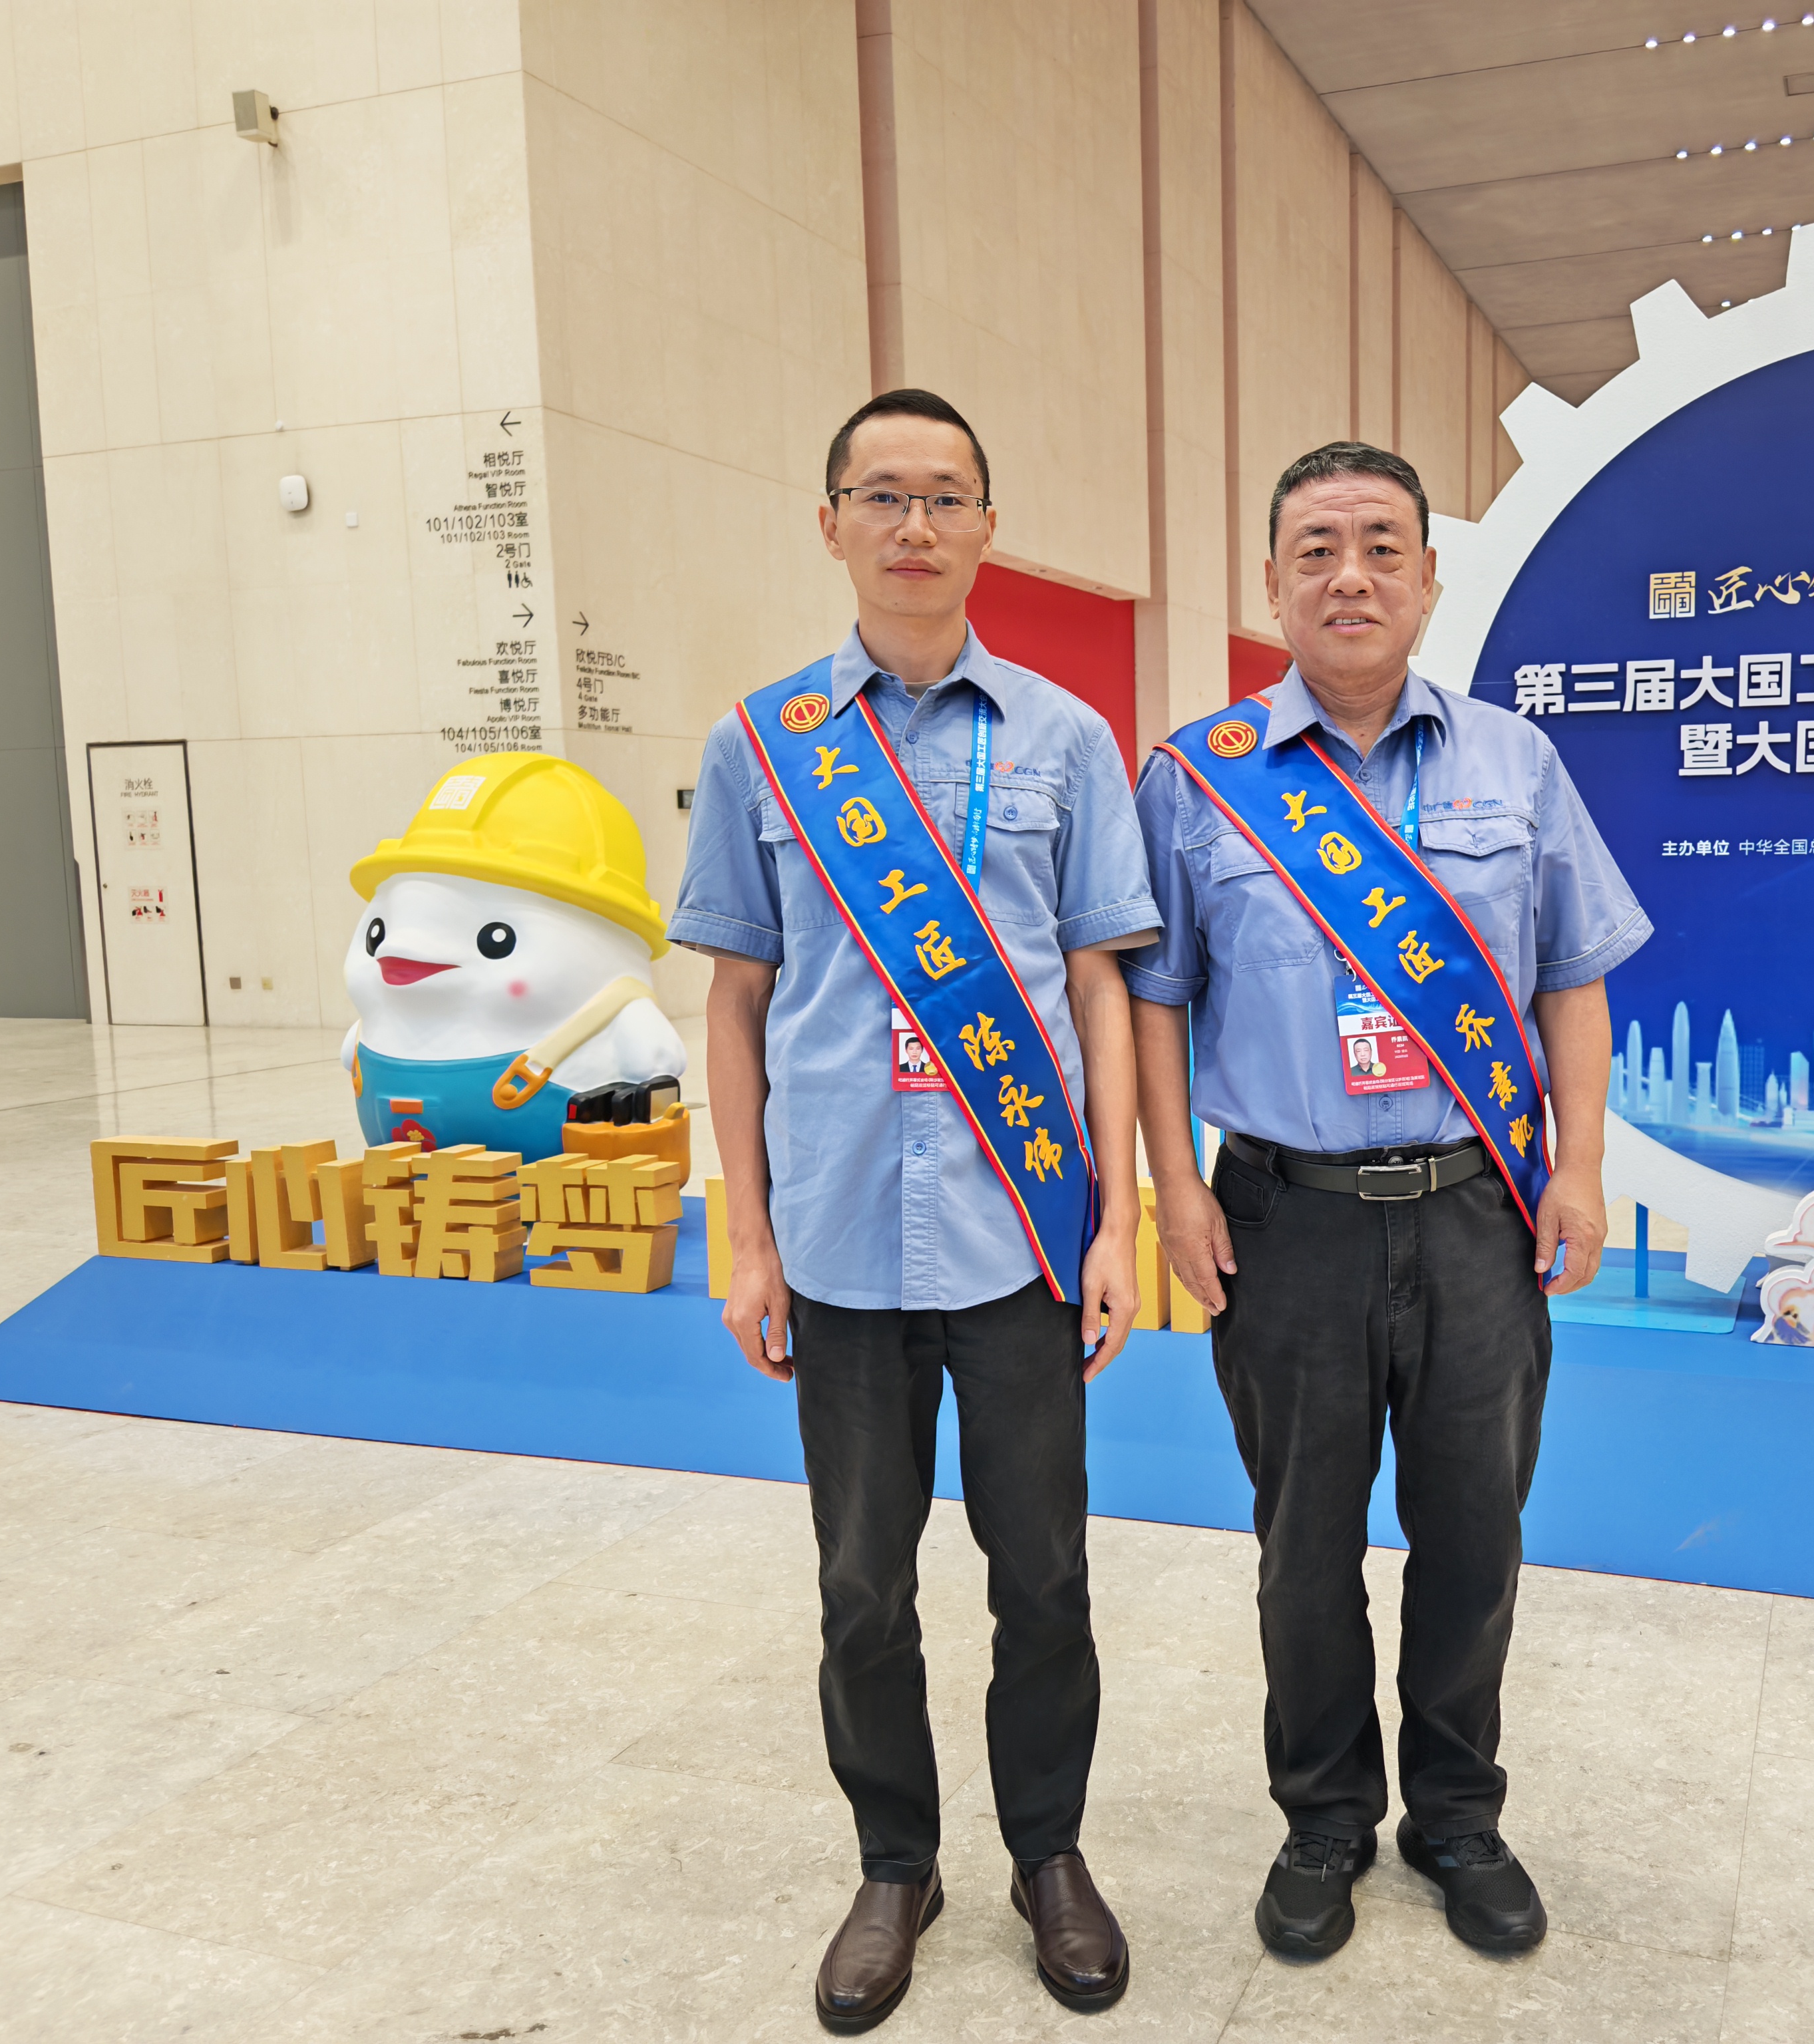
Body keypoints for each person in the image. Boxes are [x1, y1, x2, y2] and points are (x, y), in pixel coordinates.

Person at [1121, 442, 1650, 1960]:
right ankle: (1324, 1818)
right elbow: (1154, 998)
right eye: (1315, 550)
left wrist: (1579, 1165)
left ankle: (1458, 1816)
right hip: (1284, 1216)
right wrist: (1174, 1189)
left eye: (1378, 547)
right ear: (1271, 581)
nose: (1347, 576)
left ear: (1425, 577)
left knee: (1473, 1533)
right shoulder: (1197, 777)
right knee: (1303, 1544)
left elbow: (1571, 977)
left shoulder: (1514, 764)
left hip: (1478, 1211)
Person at [672, 389, 1159, 2032]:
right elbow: (736, 1001)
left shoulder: (1063, 738)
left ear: (986, 528)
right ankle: (896, 1864)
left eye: (944, 496)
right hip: (839, 1241)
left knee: (1045, 1578)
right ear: (830, 524)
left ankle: (1047, 1856)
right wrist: (747, 1239)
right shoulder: (763, 746)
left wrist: (1112, 1221)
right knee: (861, 1586)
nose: (914, 525)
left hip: (1020, 1235)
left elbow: (1096, 985)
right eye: (881, 495)